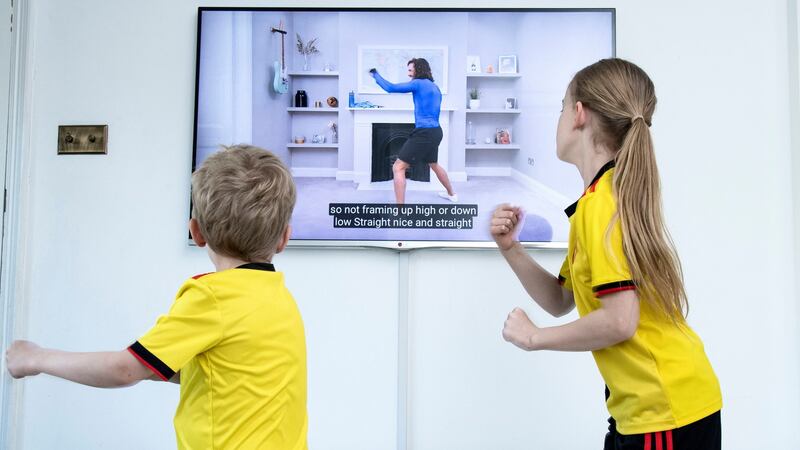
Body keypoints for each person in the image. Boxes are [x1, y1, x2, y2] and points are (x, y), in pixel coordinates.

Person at [6, 145, 308, 449]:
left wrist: (36, 358)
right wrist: (156, 363)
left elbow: (124, 370)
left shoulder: (212, 297)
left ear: (196, 231)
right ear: (284, 237)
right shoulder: (279, 298)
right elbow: (226, 374)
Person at [491, 58, 722, 450]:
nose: (560, 117)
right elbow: (561, 299)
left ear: (578, 114)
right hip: (646, 410)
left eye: (562, 106)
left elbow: (619, 321)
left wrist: (534, 338)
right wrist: (512, 249)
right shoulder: (596, 201)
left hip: (665, 412)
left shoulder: (602, 204)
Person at [370, 58, 457, 204]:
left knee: (398, 167)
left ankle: (400, 210)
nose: (409, 74)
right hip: (436, 132)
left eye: (410, 70)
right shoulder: (435, 87)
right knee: (433, 164)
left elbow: (390, 88)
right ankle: (452, 195)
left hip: (424, 133)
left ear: (419, 69)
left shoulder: (418, 83)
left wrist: (375, 75)